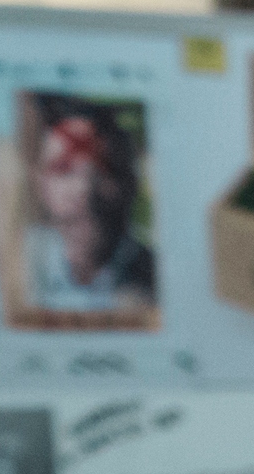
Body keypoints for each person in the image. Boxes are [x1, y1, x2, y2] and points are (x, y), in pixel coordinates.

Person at [16, 97, 157, 321]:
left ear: (123, 184)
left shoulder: (152, 276)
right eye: (63, 169)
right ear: (41, 183)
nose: (83, 186)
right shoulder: (21, 264)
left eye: (100, 171)